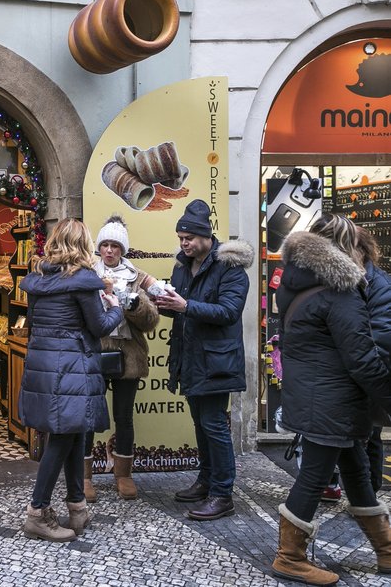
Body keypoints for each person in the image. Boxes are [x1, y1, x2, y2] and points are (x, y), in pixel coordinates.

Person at [272, 220, 391, 584]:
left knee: (356, 473)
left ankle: (386, 550)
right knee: (313, 478)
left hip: (318, 396)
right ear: (346, 248)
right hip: (332, 400)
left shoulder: (295, 282)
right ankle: (289, 557)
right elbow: (363, 357)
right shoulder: (341, 290)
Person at [19, 219, 123, 542]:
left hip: (44, 363)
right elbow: (100, 326)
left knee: (75, 433)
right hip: (72, 368)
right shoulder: (82, 280)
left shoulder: (38, 279)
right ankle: (37, 512)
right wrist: (115, 307)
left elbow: (34, 321)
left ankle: (77, 507)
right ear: (82, 245)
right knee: (64, 438)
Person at [154, 199, 252, 521]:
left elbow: (228, 312)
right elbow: (181, 308)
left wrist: (184, 306)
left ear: (206, 236)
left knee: (214, 425)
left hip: (216, 361)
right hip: (190, 358)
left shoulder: (230, 266)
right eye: (180, 238)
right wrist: (162, 304)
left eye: (189, 238)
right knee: (201, 424)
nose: (184, 244)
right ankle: (206, 480)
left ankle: (223, 494)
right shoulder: (183, 265)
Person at [84, 215, 160, 501]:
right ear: (99, 247)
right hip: (95, 354)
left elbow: (151, 321)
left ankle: (123, 474)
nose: (110, 251)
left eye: (115, 245)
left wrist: (134, 304)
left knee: (124, 417)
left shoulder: (138, 277)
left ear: (122, 249)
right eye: (105, 244)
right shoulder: (88, 275)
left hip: (128, 356)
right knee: (89, 416)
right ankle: (85, 477)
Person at [354, 225, 391, 494]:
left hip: (369, 375)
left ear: (362, 250)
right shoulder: (347, 280)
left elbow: (380, 338)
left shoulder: (378, 283)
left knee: (370, 435)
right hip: (353, 372)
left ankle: (370, 494)